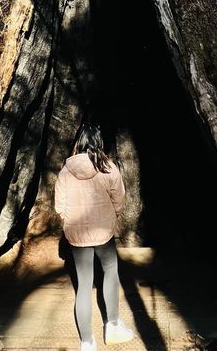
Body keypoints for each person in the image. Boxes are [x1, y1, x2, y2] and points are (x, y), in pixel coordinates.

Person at [55, 123, 134, 351]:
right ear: (98, 141)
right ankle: (113, 327)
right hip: (103, 233)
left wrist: (72, 222)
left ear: (79, 142)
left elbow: (60, 206)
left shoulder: (65, 171)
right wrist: (111, 217)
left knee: (83, 284)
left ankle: (87, 342)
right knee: (110, 272)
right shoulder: (108, 168)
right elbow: (119, 199)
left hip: (77, 236)